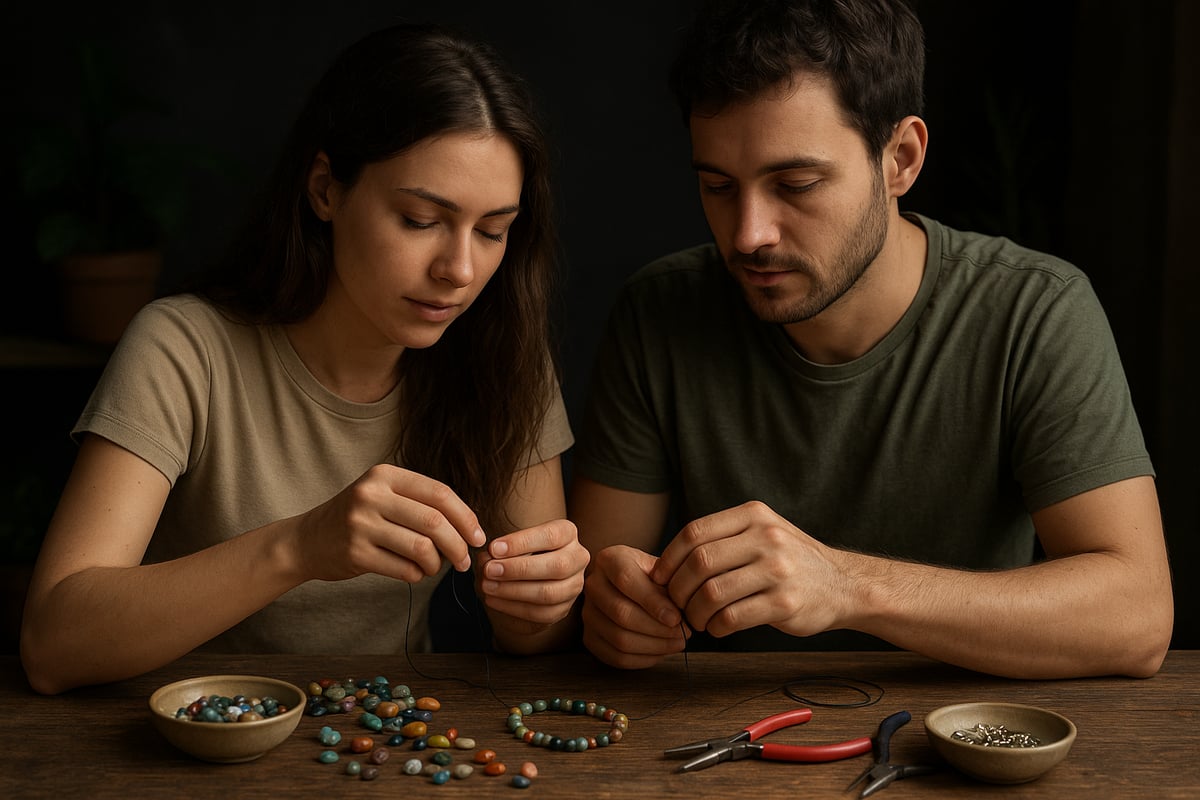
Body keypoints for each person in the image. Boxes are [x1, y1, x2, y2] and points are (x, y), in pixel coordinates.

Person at [570, 0, 1173, 680]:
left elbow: (1137, 618)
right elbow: (595, 585)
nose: (747, 235)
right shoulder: (659, 311)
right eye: (717, 186)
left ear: (901, 159)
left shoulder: (1034, 310)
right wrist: (613, 610)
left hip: (966, 745)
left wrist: (847, 587)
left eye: (795, 185)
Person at [21, 22, 589, 695]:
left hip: (379, 738)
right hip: (186, 738)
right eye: (419, 220)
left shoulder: (502, 355)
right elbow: (53, 645)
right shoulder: (183, 349)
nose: (460, 270)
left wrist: (541, 603)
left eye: (493, 231)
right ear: (325, 189)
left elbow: (533, 639)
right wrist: (299, 547)